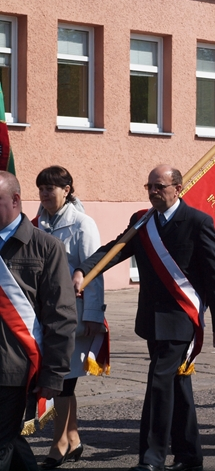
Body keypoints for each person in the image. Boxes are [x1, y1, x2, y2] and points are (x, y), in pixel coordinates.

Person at [74, 165, 215, 471]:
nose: (153, 192)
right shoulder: (142, 221)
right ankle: (189, 457)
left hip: (181, 319)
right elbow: (116, 250)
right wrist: (85, 269)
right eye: (149, 186)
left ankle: (152, 458)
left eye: (159, 186)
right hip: (151, 318)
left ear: (178, 188)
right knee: (177, 384)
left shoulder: (198, 222)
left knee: (158, 382)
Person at [0, 171, 75, 471]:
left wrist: (54, 375)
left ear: (16, 200)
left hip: (15, 369)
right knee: (11, 443)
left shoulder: (46, 248)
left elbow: (61, 316)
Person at [35, 166, 103, 469]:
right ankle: (73, 438)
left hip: (72, 315)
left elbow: (94, 272)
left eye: (52, 188)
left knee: (63, 380)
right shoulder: (38, 224)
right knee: (64, 378)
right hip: (45, 316)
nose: (46, 194)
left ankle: (58, 443)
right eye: (42, 188)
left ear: (67, 189)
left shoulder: (82, 224)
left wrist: (93, 314)